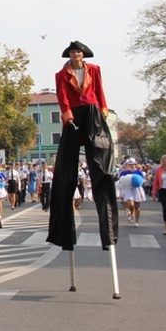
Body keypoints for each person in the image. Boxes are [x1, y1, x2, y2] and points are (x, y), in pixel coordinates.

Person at [48, 41, 118, 253]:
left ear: (83, 54)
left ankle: (108, 233)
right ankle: (63, 234)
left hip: (92, 110)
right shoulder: (62, 74)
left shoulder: (94, 69)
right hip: (74, 112)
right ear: (69, 55)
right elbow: (61, 94)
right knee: (66, 166)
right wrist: (66, 111)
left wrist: (103, 106)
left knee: (100, 159)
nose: (76, 54)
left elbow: (99, 88)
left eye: (79, 52)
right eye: (73, 52)